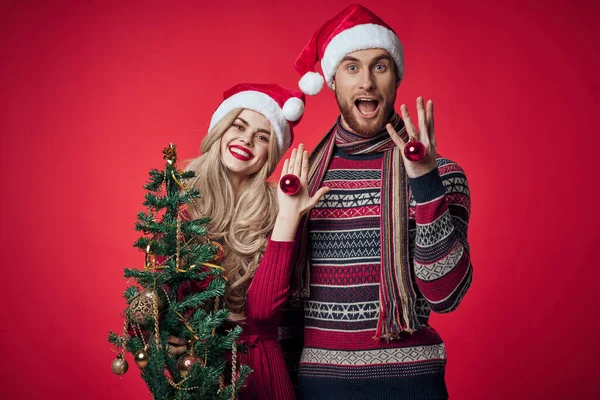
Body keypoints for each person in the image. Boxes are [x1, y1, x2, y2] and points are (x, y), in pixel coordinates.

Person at [289, 5, 474, 399]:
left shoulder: (444, 174)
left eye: (380, 66)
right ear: (334, 81)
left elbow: (447, 295)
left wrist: (424, 181)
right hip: (318, 388)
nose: (367, 84)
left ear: (396, 79)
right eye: (352, 67)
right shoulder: (302, 179)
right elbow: (281, 305)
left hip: (412, 386)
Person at [167, 82, 329, 400]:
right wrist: (167, 334)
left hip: (259, 371)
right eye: (239, 126)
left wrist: (287, 217)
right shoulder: (182, 204)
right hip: (197, 371)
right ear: (221, 130)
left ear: (270, 154)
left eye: (262, 136)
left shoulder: (278, 207)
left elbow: (264, 313)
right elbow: (162, 298)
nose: (246, 139)